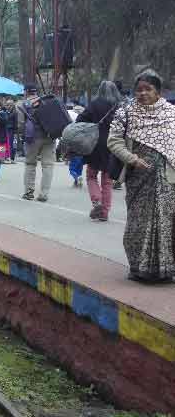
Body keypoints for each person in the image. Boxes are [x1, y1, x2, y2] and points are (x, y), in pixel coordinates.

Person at [107, 70, 175, 282]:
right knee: (138, 223)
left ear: (158, 92)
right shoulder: (125, 112)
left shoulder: (171, 113)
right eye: (139, 90)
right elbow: (113, 141)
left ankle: (167, 269)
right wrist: (132, 158)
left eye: (148, 89)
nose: (143, 93)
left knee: (168, 222)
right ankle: (139, 268)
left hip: (168, 178)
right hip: (138, 178)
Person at [77, 81, 121, 221]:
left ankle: (97, 201)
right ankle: (105, 211)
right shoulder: (119, 106)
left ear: (100, 90)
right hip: (113, 145)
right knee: (107, 181)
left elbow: (80, 120)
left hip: (95, 144)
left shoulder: (94, 104)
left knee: (91, 175)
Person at [17, 83, 56, 202]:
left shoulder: (22, 104)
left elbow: (21, 124)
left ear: (26, 92)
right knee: (48, 165)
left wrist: (22, 135)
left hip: (32, 138)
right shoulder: (47, 102)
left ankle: (29, 192)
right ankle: (44, 194)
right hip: (49, 137)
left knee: (30, 164)